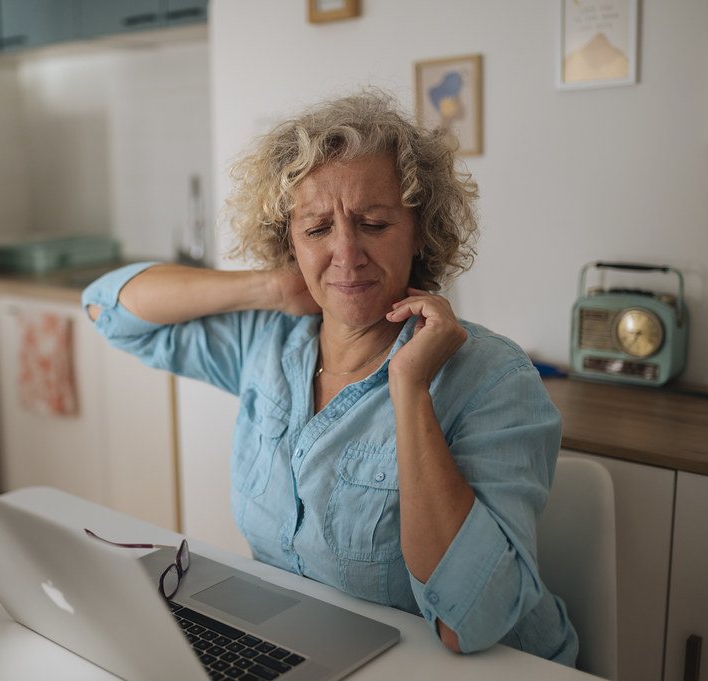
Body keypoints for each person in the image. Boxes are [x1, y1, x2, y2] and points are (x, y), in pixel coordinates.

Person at [82, 90, 578, 665]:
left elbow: (469, 624)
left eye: (373, 223)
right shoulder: (270, 340)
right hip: (312, 654)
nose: (346, 253)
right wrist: (269, 287)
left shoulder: (496, 378)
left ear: (419, 231)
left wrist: (409, 388)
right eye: (317, 229)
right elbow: (107, 310)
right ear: (288, 240)